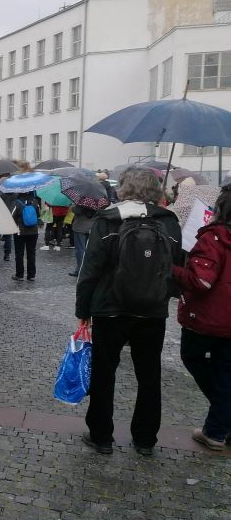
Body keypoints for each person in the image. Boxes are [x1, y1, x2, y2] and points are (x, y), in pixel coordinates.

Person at [76, 168, 183, 456]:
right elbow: (176, 264)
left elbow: (91, 268)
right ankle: (146, 439)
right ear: (155, 190)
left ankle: (101, 436)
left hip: (110, 308)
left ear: (123, 189)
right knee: (149, 375)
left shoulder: (109, 219)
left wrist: (83, 308)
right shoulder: (168, 221)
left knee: (104, 372)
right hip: (151, 310)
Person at [172, 188, 231, 450]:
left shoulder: (215, 237)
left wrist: (171, 269)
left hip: (208, 319)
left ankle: (218, 427)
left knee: (194, 358)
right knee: (225, 372)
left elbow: (201, 281)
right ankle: (219, 427)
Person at [10, 191, 41, 281]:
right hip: (34, 231)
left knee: (19, 253)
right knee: (31, 252)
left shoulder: (17, 202)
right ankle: (31, 275)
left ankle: (19, 275)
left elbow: (12, 215)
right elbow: (38, 214)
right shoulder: (35, 201)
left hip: (20, 232)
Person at [68, 204, 97, 277]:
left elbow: (76, 211)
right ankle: (90, 269)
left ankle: (80, 270)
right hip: (92, 227)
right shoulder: (98, 200)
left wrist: (72, 206)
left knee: (80, 249)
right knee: (90, 249)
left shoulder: (81, 200)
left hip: (80, 227)